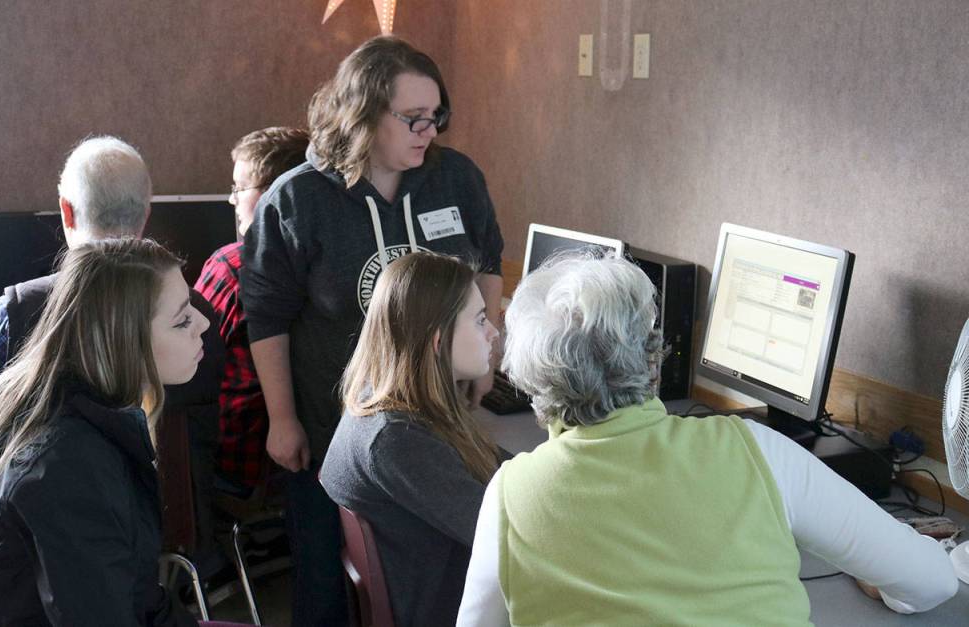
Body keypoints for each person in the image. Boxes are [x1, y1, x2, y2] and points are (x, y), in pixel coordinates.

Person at [456, 253, 959, 626]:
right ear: (653, 359)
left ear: (533, 379)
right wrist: (889, 586)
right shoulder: (754, 449)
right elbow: (932, 582)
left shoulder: (508, 496)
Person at [240, 36, 505, 624]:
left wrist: (489, 354)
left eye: (436, 117)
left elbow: (487, 265)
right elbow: (267, 316)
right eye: (412, 118)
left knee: (434, 572)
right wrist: (282, 418)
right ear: (361, 114)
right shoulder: (298, 200)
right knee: (325, 585)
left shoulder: (455, 179)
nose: (428, 131)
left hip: (438, 426)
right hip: (335, 425)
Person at [0, 136, 225, 552]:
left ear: (66, 211)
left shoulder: (21, 309)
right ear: (146, 214)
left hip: (40, 544)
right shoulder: (195, 312)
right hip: (177, 522)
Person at [0, 239, 244, 626]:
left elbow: (131, 593)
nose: (204, 324)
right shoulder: (67, 464)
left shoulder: (83, 413)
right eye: (182, 319)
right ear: (123, 342)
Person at [320, 252, 503, 626]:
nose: (493, 332)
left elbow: (500, 471)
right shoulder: (395, 439)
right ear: (437, 340)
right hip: (450, 609)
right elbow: (504, 537)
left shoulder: (389, 403)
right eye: (481, 319)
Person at [195, 127, 309, 494]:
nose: (232, 201)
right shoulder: (328, 263)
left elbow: (191, 366)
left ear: (271, 194)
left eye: (238, 188)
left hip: (247, 459)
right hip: (318, 456)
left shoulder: (233, 266)